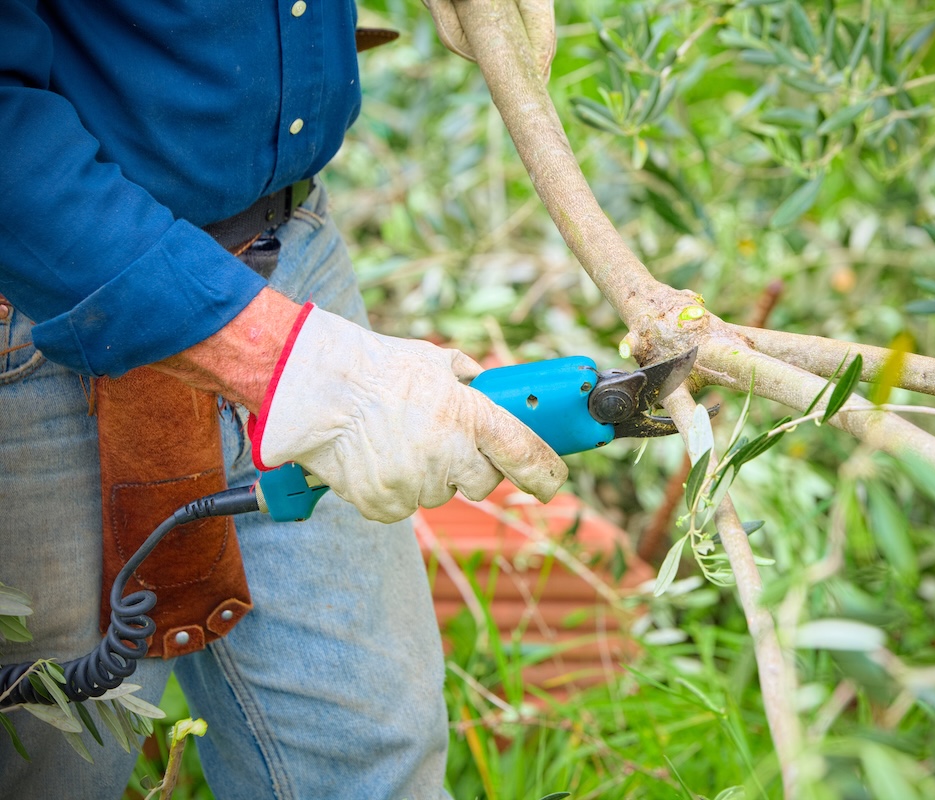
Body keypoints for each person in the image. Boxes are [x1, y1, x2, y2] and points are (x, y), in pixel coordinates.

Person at [0, 1, 563, 797]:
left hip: (287, 242)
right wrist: (298, 369)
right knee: (47, 768)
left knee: (374, 761)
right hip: (34, 300)